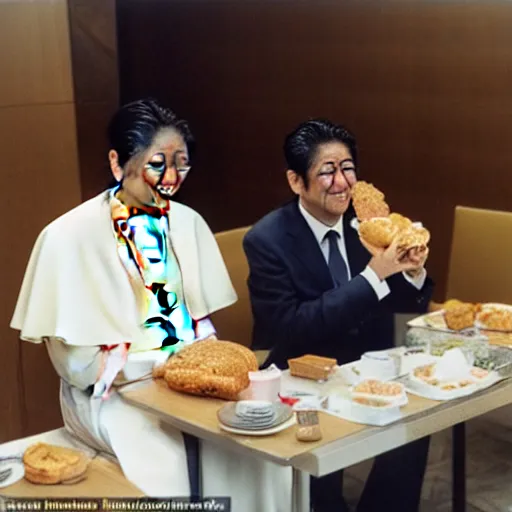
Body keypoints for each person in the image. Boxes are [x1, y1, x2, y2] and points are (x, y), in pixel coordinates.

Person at [11, 98, 292, 511]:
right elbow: (77, 367)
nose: (172, 177)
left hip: (191, 382)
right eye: (158, 163)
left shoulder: (188, 222)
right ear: (116, 161)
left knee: (261, 453)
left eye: (181, 163)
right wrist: (150, 369)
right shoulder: (67, 237)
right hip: (113, 395)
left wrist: (196, 367)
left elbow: (202, 326)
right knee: (167, 465)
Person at [243, 119, 433, 512]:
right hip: (301, 378)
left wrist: (411, 271)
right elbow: (290, 327)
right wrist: (373, 275)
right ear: (296, 181)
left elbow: (400, 299)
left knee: (419, 424)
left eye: (347, 168)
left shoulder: (367, 226)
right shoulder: (267, 240)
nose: (342, 182)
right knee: (320, 480)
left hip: (369, 367)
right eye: (327, 171)